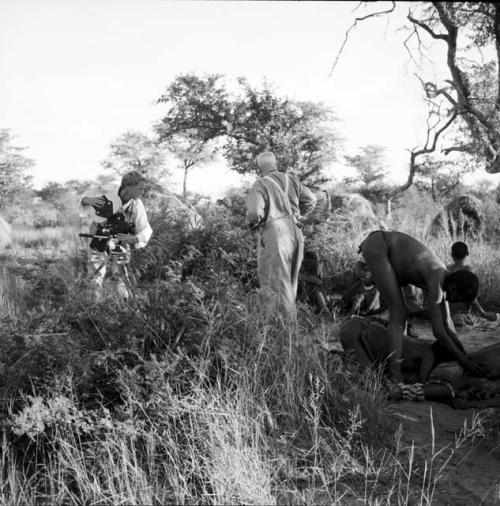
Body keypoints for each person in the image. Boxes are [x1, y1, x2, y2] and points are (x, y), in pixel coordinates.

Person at [359, 230, 487, 381]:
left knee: (401, 314)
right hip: (380, 245)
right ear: (453, 289)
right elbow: (438, 331)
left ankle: (397, 363)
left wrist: (463, 354)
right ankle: (395, 376)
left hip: (384, 248)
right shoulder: (437, 280)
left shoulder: (444, 280)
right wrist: (464, 361)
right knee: (399, 313)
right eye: (459, 298)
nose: (457, 303)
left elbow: (447, 322)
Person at [339, 317, 500, 407]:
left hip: (359, 327)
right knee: (372, 382)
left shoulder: (426, 349)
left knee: (371, 377)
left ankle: (344, 363)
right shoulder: (428, 354)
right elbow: (423, 380)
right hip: (357, 333)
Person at [246, 151, 317, 316]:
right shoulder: (290, 179)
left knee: (276, 281)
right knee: (291, 280)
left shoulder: (261, 183)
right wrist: (298, 214)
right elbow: (311, 199)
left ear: (259, 166)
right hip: (296, 230)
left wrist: (253, 224)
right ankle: (290, 329)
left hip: (276, 233)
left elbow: (254, 213)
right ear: (275, 163)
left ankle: (282, 330)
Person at [81, 171, 152, 300]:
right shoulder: (108, 192)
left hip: (120, 242)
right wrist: (87, 200)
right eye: (139, 189)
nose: (142, 192)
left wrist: (135, 238)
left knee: (121, 276)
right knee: (96, 276)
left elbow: (146, 229)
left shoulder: (136, 204)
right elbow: (83, 199)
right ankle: (93, 310)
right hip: (99, 238)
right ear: (129, 186)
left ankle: (125, 309)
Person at [447, 241, 497, 322]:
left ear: (452, 255)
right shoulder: (468, 270)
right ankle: (482, 313)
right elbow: (472, 296)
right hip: (464, 312)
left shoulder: (447, 269)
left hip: (449, 310)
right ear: (467, 254)